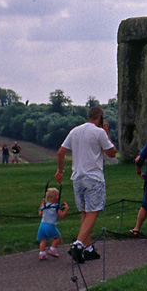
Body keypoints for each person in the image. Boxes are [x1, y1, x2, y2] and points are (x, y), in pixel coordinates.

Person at [55, 105, 117, 263]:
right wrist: (107, 133)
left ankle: (88, 249)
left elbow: (61, 152)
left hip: (77, 177)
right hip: (93, 177)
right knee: (93, 212)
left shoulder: (75, 131)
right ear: (100, 117)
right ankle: (78, 244)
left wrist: (60, 171)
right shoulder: (99, 132)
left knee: (84, 212)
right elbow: (112, 152)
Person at [36, 187, 68, 260]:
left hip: (42, 225)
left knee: (44, 240)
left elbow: (40, 214)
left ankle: (42, 253)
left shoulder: (44, 206)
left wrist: (41, 206)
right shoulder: (56, 207)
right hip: (50, 225)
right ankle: (52, 249)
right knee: (57, 238)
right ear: (57, 198)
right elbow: (62, 216)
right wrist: (66, 210)